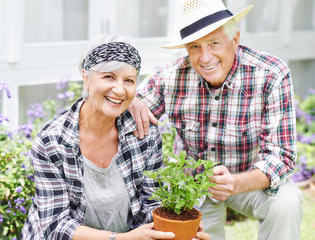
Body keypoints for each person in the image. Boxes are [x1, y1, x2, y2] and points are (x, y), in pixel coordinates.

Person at [129, 0, 303, 239]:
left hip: (249, 180)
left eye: (214, 43)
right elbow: (122, 113)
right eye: (195, 47)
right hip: (193, 187)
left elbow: (282, 157)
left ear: (235, 40)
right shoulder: (170, 77)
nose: (205, 57)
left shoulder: (271, 74)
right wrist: (130, 99)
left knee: (287, 201)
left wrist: (236, 183)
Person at [21, 33, 210, 240]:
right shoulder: (52, 141)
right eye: (109, 77)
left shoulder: (144, 133)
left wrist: (177, 228)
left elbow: (151, 203)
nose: (119, 90)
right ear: (86, 78)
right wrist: (121, 239)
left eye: (129, 80)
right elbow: (56, 226)